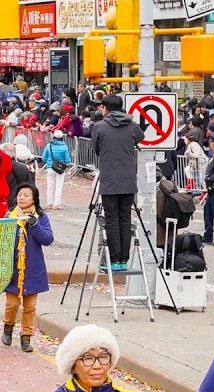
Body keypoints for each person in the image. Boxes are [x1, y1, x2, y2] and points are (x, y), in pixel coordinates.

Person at [90, 94, 145, 271]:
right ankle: (123, 260)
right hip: (128, 181)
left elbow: (96, 148)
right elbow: (140, 137)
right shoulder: (132, 125)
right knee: (125, 219)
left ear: (105, 108)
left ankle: (114, 260)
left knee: (112, 220)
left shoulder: (99, 126)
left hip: (109, 181)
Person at [1, 183, 54, 352]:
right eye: (20, 194)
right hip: (14, 271)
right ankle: (8, 327)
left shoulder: (41, 217)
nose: (22, 198)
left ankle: (26, 337)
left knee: (30, 307)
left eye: (26, 195)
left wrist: (35, 225)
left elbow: (48, 239)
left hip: (33, 270)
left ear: (34, 199)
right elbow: (1, 241)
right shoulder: (9, 216)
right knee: (12, 304)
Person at [42, 129, 72, 210]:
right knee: (59, 186)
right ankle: (57, 204)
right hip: (59, 168)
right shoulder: (64, 147)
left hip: (50, 167)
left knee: (50, 185)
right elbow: (68, 160)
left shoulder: (49, 146)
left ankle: (49, 203)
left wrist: (48, 162)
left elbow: (43, 157)